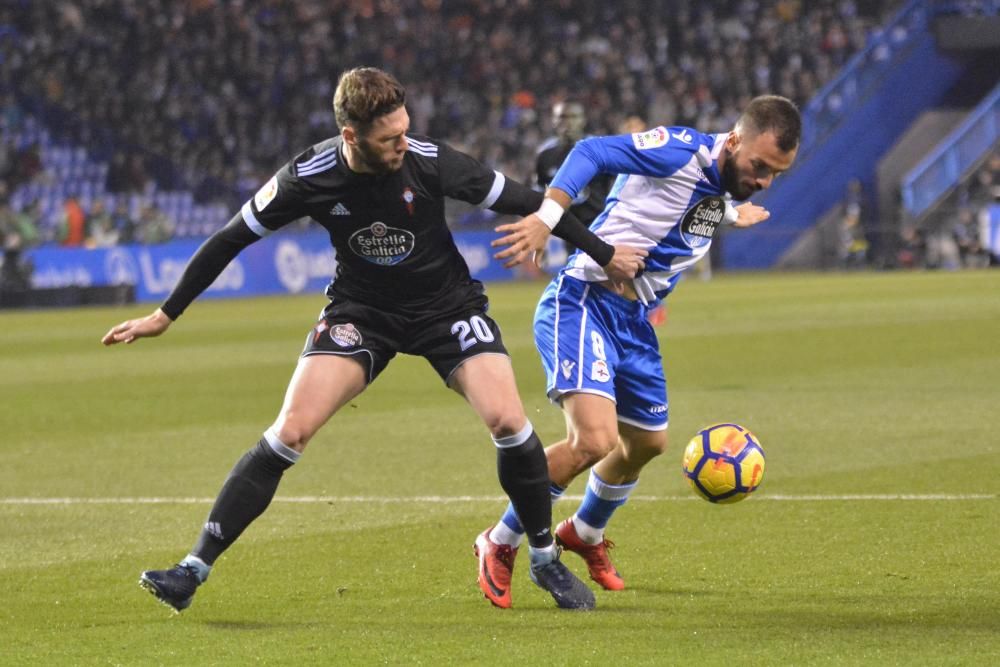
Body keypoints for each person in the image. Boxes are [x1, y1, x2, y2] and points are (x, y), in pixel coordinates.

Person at [102, 67, 646, 613]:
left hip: (447, 307)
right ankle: (191, 571)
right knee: (289, 431)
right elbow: (228, 239)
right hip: (363, 312)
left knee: (509, 421)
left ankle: (543, 558)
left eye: (405, 130)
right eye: (390, 138)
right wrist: (166, 314)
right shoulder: (306, 177)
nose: (402, 143)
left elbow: (532, 200)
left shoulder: (430, 161)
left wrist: (604, 255)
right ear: (350, 136)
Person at [479, 95, 801, 601]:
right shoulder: (679, 151)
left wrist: (734, 217)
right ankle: (499, 541)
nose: (762, 179)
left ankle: (583, 534)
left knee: (647, 444)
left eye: (774, 174)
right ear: (734, 140)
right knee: (593, 440)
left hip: (634, 321)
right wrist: (547, 215)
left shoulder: (723, 186)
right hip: (584, 300)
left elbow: (694, 212)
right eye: (759, 165)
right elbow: (591, 151)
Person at [534, 100, 614, 261]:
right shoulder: (545, 155)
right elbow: (540, 197)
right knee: (577, 275)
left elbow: (618, 187)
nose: (568, 122)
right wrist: (540, 236)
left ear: (583, 120)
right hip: (569, 229)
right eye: (562, 117)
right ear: (554, 121)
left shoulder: (600, 148)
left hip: (600, 226)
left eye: (573, 117)